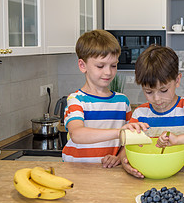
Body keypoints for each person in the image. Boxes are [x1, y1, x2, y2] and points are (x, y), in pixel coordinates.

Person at [120, 45, 184, 178]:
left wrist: (178, 139)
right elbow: (128, 147)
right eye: (149, 92)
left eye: (163, 90)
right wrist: (125, 162)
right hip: (153, 177)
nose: (157, 98)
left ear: (177, 80)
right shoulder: (140, 114)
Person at [62, 29, 148, 167]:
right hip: (76, 170)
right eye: (100, 66)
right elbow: (77, 134)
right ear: (82, 66)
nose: (108, 72)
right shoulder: (76, 100)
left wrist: (119, 157)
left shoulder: (122, 101)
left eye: (113, 65)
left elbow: (128, 141)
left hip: (109, 171)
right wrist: (119, 133)